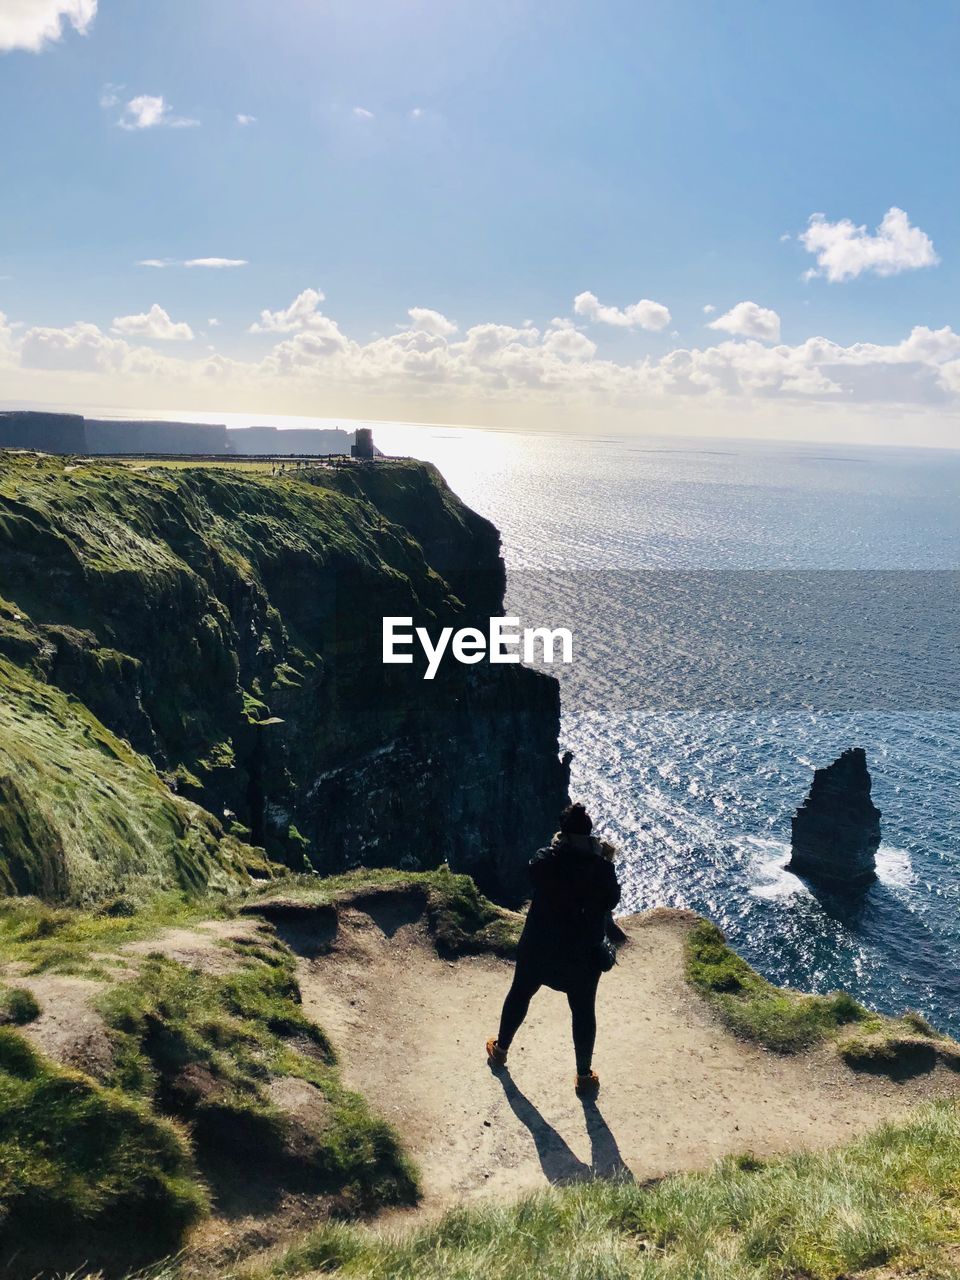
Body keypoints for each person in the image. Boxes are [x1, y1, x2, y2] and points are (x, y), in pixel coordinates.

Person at [486, 803, 622, 1096]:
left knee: (520, 994)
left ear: (563, 832)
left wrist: (559, 849)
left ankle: (500, 1050)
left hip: (539, 948)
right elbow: (611, 900)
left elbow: (534, 872)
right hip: (582, 956)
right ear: (589, 834)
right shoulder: (601, 868)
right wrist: (602, 861)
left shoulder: (546, 860)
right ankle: (584, 1076)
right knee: (583, 1012)